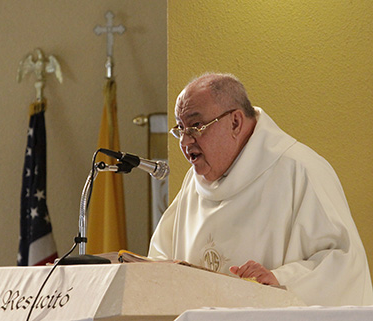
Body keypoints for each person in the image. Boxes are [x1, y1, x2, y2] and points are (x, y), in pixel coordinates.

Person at [148, 72, 373, 306]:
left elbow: (343, 263)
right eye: (180, 129)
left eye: (196, 126)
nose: (185, 142)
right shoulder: (192, 184)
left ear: (235, 122)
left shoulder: (300, 170)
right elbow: (160, 260)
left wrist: (279, 279)